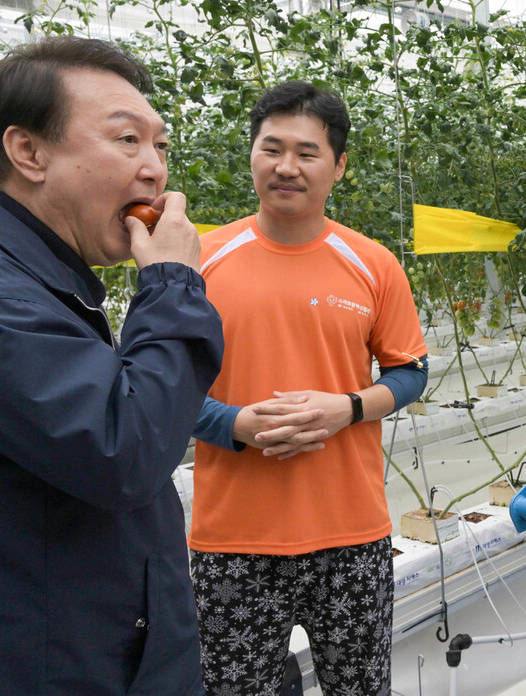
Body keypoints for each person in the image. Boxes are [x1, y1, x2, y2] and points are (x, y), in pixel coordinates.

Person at [0, 37, 224, 695]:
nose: (154, 169)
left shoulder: (33, 276)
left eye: (160, 146)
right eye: (126, 141)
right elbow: (125, 449)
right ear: (28, 152)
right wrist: (172, 283)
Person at [190, 81, 428, 695]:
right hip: (234, 542)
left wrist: (345, 408)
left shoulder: (372, 263)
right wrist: (235, 425)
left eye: (307, 152)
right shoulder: (198, 262)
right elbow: (152, 388)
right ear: (251, 155)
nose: (286, 167)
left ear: (338, 166)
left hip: (350, 535)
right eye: (272, 149)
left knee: (360, 687)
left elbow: (410, 372)